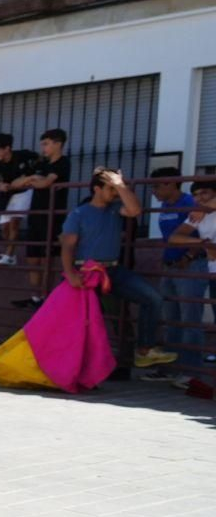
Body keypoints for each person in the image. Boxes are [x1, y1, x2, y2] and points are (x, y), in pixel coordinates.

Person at [60, 168, 176, 370]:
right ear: (97, 189)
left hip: (113, 271)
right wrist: (70, 274)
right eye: (110, 188)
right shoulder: (78, 214)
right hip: (86, 273)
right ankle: (79, 366)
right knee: (86, 321)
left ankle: (144, 350)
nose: (114, 193)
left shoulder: (115, 209)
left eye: (116, 189)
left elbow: (135, 210)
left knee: (153, 299)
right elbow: (67, 245)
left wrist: (120, 185)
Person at [151, 167, 208, 366]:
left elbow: (204, 234)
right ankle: (170, 367)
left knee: (189, 319)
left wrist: (190, 255)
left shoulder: (191, 203)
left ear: (170, 183)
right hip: (170, 266)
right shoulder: (166, 205)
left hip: (190, 266)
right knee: (171, 319)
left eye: (157, 186)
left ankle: (191, 370)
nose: (153, 191)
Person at [11, 128, 71, 309]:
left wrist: (36, 181)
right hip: (36, 214)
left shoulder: (63, 163)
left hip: (52, 215)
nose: (43, 148)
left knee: (47, 259)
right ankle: (35, 297)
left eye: (46, 144)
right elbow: (15, 183)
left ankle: (46, 296)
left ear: (58, 144)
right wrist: (32, 177)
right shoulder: (40, 164)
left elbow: (45, 183)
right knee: (32, 257)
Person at [0, 133, 36, 267]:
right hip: (6, 196)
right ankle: (11, 254)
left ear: (7, 148)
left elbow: (39, 162)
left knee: (14, 222)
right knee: (4, 228)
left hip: (23, 193)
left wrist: (30, 178)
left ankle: (8, 254)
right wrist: (0, 184)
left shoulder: (24, 155)